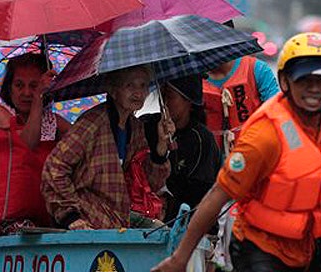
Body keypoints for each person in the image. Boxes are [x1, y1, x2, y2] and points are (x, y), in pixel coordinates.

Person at [151, 32, 321, 272]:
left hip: (313, 245)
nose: (314, 89)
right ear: (286, 82)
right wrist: (179, 260)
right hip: (262, 245)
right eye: (305, 80)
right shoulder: (264, 135)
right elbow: (218, 195)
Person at [0, 52, 70, 242]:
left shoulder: (52, 121)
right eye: (19, 85)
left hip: (32, 209)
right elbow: (27, 143)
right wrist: (39, 96)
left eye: (34, 86)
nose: (26, 93)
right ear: (9, 88)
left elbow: (84, 140)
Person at [41, 65, 174, 230]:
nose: (138, 93)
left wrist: (161, 146)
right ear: (113, 89)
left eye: (143, 86)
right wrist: (70, 217)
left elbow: (149, 182)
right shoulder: (92, 123)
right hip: (86, 221)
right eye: (130, 85)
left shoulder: (136, 128)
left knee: (162, 230)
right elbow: (54, 167)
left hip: (116, 221)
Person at [141, 75, 222, 221]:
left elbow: (201, 194)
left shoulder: (201, 139)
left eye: (170, 96)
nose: (164, 102)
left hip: (183, 221)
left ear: (189, 101)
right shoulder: (146, 126)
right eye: (163, 95)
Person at [203, 21, 280, 158]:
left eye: (219, 39)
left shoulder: (257, 70)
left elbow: (277, 114)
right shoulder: (193, 78)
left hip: (252, 157)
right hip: (207, 163)